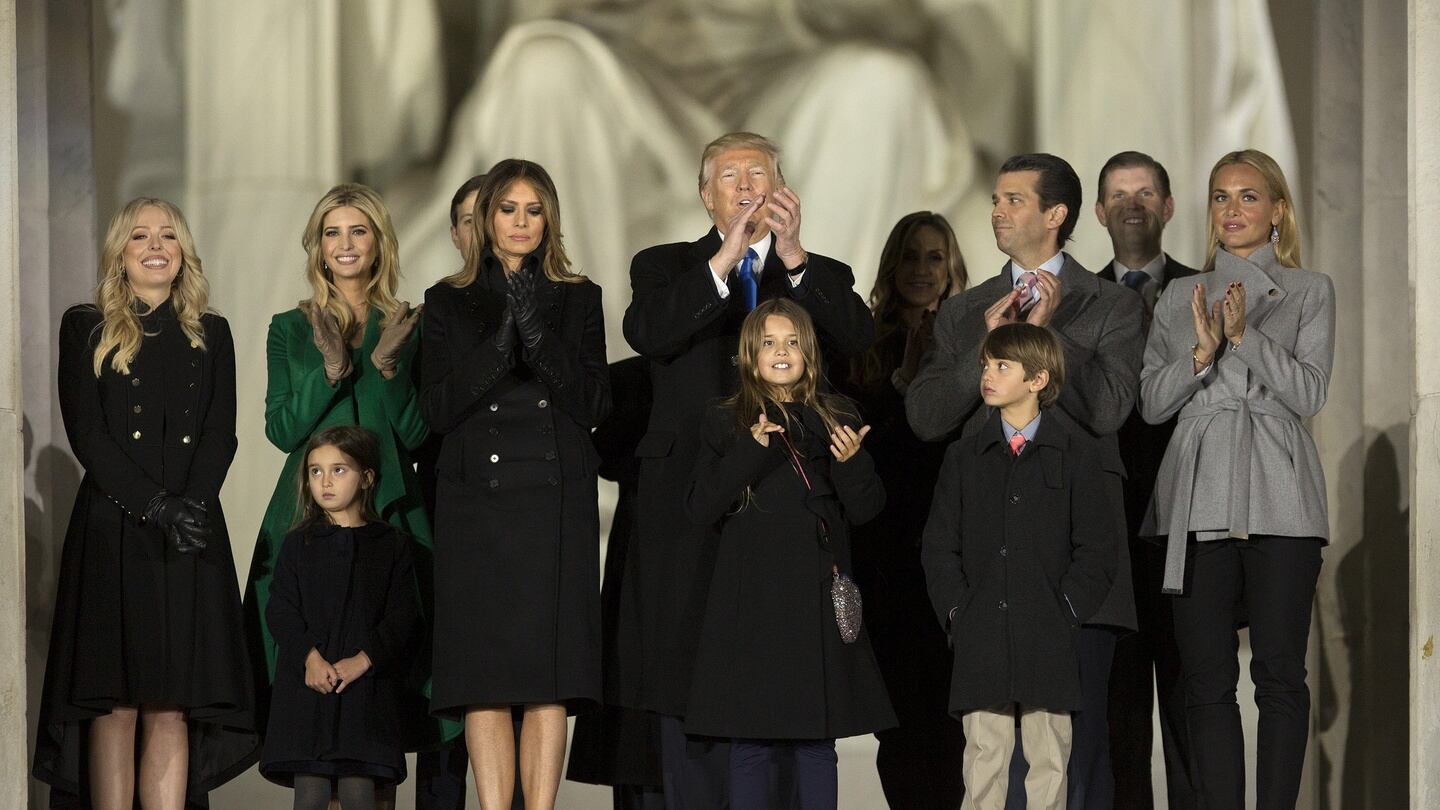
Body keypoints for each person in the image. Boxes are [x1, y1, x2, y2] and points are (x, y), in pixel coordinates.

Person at [619, 131, 874, 808]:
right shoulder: (665, 267)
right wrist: (727, 258)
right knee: (685, 660)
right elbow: (648, 333)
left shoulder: (820, 273)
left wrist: (791, 259)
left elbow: (857, 341)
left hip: (789, 514)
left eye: (755, 175)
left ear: (782, 191)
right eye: (727, 177)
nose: (742, 187)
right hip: (691, 501)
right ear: (706, 196)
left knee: (786, 668)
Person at [906, 153, 1141, 810]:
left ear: (1055, 214)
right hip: (990, 573)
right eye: (996, 199)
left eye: (1013, 200)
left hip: (1073, 572)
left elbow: (1109, 409)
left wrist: (1047, 343)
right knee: (990, 761)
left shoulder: (1112, 305)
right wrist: (987, 343)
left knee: (1076, 752)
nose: (998, 212)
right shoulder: (967, 311)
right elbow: (926, 417)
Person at [33, 198, 258, 808]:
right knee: (117, 705)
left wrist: (192, 507)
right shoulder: (87, 325)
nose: (155, 245)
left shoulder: (213, 332)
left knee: (172, 705)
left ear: (183, 252)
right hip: (115, 525)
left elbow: (221, 432)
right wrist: (155, 506)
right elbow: (88, 434)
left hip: (190, 530)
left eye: (168, 235)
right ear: (121, 254)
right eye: (140, 236)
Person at [1139, 149, 1333, 810]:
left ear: (1278, 210)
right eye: (1221, 197)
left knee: (1280, 676)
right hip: (1197, 496)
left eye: (1249, 197)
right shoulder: (1175, 296)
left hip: (1281, 496)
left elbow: (1309, 392)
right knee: (1206, 680)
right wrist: (1200, 353)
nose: (1233, 210)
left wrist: (1246, 337)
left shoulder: (1311, 290)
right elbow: (1151, 404)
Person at [421, 158, 610, 810]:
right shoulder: (446, 301)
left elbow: (592, 403)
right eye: (509, 209)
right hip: (477, 504)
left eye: (534, 210)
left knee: (547, 678)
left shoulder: (580, 296)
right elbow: (438, 410)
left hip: (554, 504)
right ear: (485, 219)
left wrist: (537, 330)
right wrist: (503, 341)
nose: (522, 222)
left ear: (549, 218)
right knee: (486, 679)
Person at [243, 184, 438, 804]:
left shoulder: (407, 324)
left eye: (358, 231)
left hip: (389, 524)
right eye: (332, 232)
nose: (345, 244)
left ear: (379, 241)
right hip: (306, 529)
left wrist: (388, 372)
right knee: (310, 706)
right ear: (317, 247)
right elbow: (281, 431)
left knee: (378, 717)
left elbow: (414, 433)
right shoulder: (290, 328)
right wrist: (330, 371)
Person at [684, 299, 894, 810]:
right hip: (749, 602)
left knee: (816, 742)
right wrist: (752, 449)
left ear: (810, 351)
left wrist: (851, 464)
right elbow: (699, 506)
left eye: (792, 342)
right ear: (750, 355)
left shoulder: (838, 414)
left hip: (814, 598)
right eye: (770, 343)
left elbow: (866, 510)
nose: (782, 352)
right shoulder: (726, 418)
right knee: (750, 741)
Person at [921, 322, 1118, 810]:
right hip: (981, 635)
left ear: (1038, 379)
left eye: (1002, 365)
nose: (987, 375)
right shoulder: (964, 457)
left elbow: (1097, 549)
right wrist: (957, 613)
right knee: (984, 760)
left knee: (1050, 759)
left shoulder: (1077, 456)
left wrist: (1065, 609)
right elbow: (939, 546)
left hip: (1048, 638)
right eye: (986, 364)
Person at [843, 211, 968, 808]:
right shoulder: (860, 348)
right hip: (886, 558)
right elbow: (862, 455)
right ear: (893, 266)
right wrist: (903, 384)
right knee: (898, 722)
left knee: (954, 723)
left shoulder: (973, 345)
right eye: (911, 256)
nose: (922, 269)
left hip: (956, 555)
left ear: (952, 270)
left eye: (935, 257)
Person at [1092, 151, 1199, 809]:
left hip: (1189, 538)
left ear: (1167, 206)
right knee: (1118, 730)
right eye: (1119, 194)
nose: (1133, 203)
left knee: (1192, 722)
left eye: (1146, 192)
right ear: (1100, 213)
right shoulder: (1075, 299)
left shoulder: (1210, 290)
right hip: (1108, 548)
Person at [260, 425, 420, 810]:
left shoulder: (391, 544)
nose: (325, 481)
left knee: (358, 789)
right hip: (308, 688)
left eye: (338, 470)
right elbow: (280, 608)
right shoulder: (299, 543)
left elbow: (403, 616)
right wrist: (310, 657)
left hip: (364, 691)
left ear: (366, 478)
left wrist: (364, 660)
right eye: (316, 471)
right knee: (311, 791)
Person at [412, 174, 488, 810]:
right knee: (450, 678)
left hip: (524, 518)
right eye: (467, 219)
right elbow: (420, 423)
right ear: (454, 232)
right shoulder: (433, 311)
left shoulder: (546, 305)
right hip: (445, 514)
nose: (479, 230)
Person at [564, 354, 666, 809]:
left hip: (712, 547)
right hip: (642, 547)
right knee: (635, 696)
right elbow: (604, 453)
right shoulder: (631, 378)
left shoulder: (746, 361)